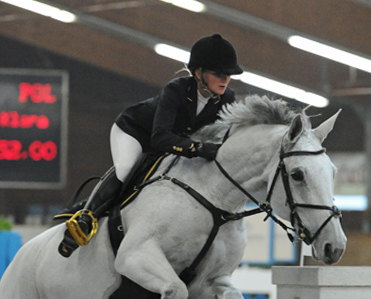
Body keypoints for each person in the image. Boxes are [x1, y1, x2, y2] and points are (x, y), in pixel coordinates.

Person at [58, 33, 243, 257]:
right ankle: (86, 218)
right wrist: (197, 149)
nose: (225, 79)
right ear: (198, 73)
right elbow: (160, 138)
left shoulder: (227, 98)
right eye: (218, 74)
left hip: (173, 144)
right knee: (127, 168)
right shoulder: (176, 90)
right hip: (136, 132)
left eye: (228, 75)